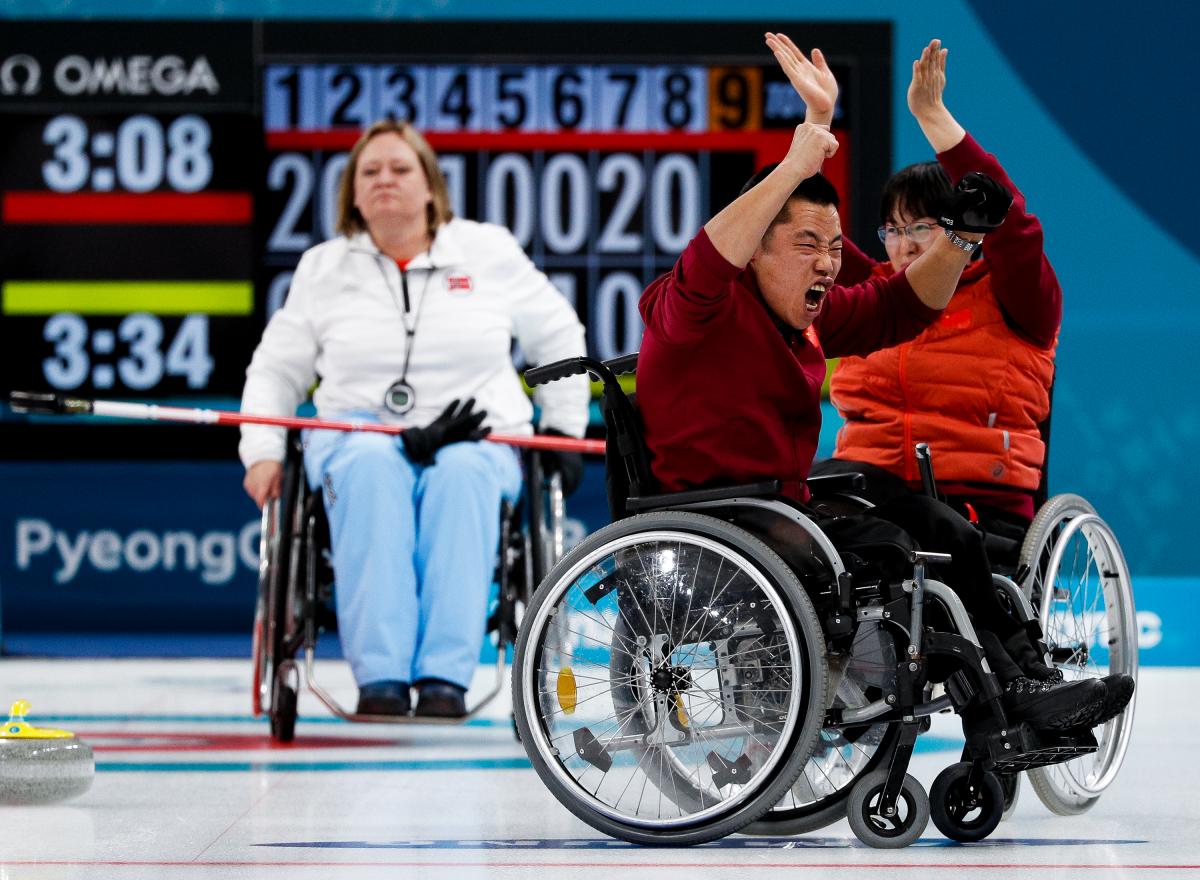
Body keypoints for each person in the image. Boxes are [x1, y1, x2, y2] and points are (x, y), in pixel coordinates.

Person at [636, 33, 1119, 735]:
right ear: (756, 248)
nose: (832, 263)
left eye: (837, 247)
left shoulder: (813, 315)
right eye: (810, 245)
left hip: (796, 506)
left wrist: (961, 238)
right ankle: (1002, 706)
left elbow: (899, 305)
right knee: (902, 540)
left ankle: (1017, 695)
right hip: (727, 516)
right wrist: (805, 147)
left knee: (935, 526)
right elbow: (714, 251)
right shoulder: (697, 305)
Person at [810, 38, 1134, 721]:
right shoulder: (877, 296)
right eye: (892, 230)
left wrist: (936, 120)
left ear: (964, 229)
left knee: (936, 541)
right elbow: (801, 243)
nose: (902, 246)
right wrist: (814, 132)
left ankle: (1024, 690)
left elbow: (1016, 225)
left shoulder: (1015, 294)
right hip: (870, 495)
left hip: (974, 503)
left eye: (921, 227)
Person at [239, 120, 589, 718]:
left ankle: (443, 679)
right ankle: (380, 677)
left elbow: (558, 335)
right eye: (369, 172)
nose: (384, 181)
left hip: (476, 435)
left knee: (464, 475)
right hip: (357, 433)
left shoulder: (487, 250)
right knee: (372, 469)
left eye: (400, 169)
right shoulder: (324, 268)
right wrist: (262, 450)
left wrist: (561, 432)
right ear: (352, 193)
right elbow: (275, 370)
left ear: (430, 187)